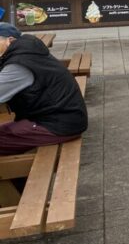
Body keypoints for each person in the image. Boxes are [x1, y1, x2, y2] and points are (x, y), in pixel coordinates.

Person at [0, 24, 87, 156]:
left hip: (60, 124)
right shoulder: (27, 53)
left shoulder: (19, 64)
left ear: (10, 41)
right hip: (62, 117)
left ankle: (18, 174)